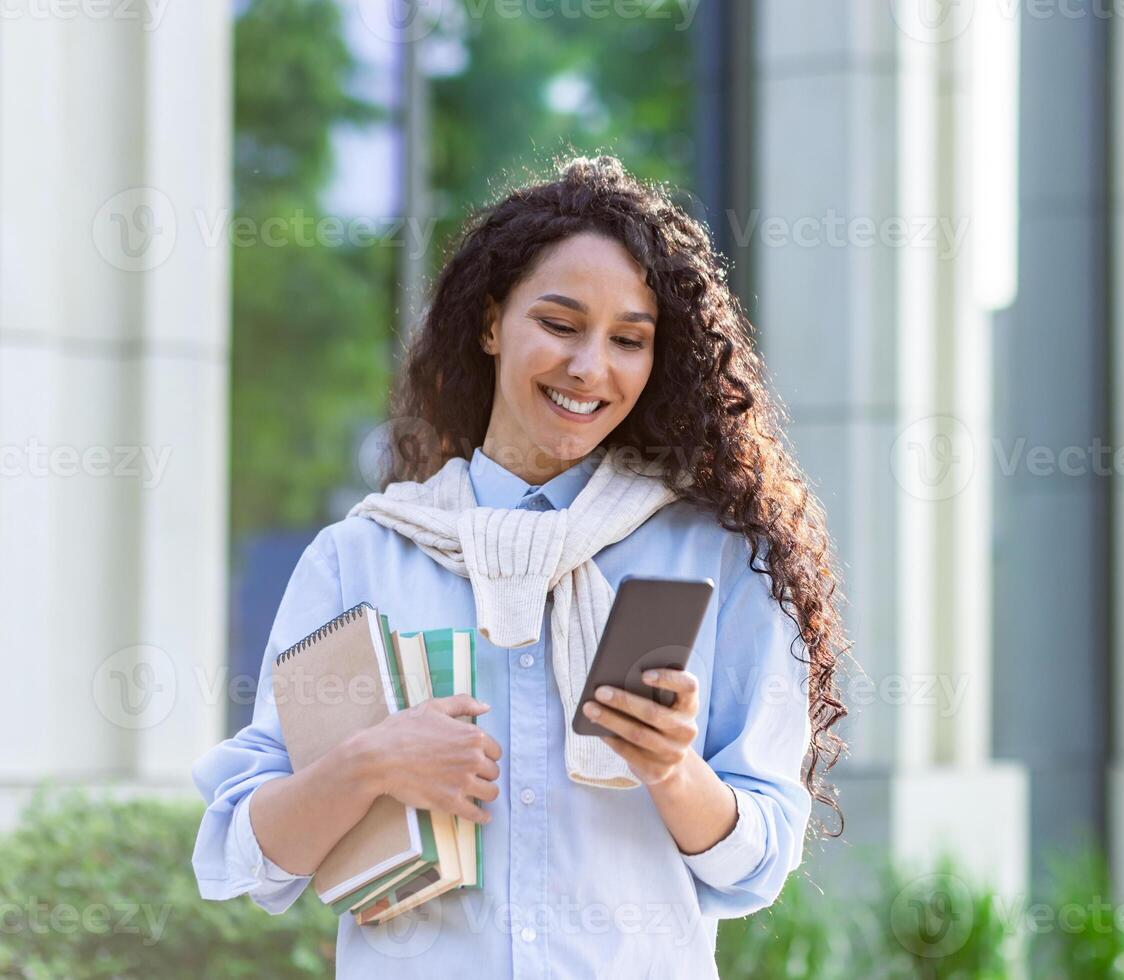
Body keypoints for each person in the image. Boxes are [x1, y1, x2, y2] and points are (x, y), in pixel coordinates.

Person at [190, 154, 851, 977]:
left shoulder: (712, 557)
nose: (589, 368)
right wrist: (372, 764)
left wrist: (672, 770)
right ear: (493, 322)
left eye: (628, 340)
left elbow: (759, 863)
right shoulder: (363, 556)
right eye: (561, 324)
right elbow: (244, 858)